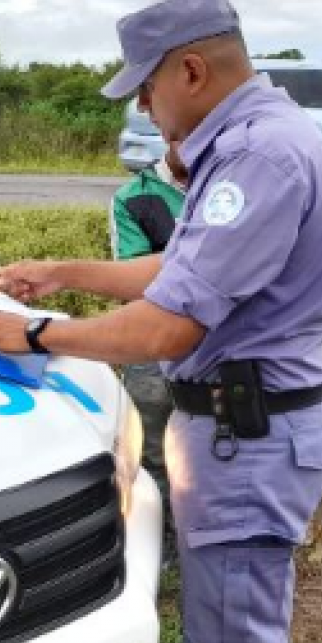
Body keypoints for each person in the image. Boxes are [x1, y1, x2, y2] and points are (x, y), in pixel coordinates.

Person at [0, 0, 322, 643]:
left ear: (190, 70)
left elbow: (167, 328)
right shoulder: (250, 136)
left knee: (236, 640)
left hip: (248, 430)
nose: (147, 107)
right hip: (247, 422)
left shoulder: (256, 156)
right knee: (226, 629)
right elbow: (186, 267)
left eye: (147, 88)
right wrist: (64, 272)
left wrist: (33, 332)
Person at [111, 140, 188, 568]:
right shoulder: (133, 197)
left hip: (211, 347)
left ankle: (190, 542)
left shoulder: (228, 184)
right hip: (151, 345)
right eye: (182, 138)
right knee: (151, 449)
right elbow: (135, 279)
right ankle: (155, 549)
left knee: (204, 449)